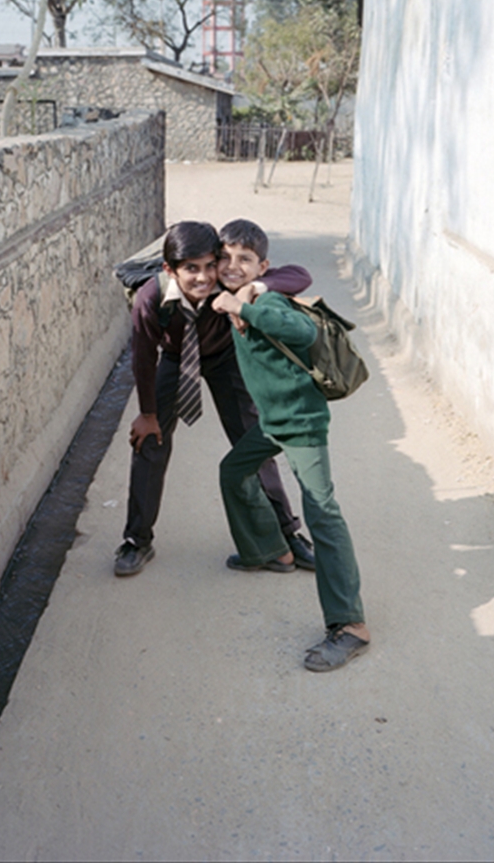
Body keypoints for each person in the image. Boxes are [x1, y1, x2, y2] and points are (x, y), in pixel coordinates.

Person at [212, 218, 369, 672]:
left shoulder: (266, 300)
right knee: (233, 471)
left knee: (323, 512)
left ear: (261, 266)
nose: (232, 266)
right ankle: (269, 550)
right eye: (226, 258)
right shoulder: (233, 296)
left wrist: (246, 303)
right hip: (273, 423)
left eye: (245, 260)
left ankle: (351, 626)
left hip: (301, 424)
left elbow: (304, 334)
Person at [115, 220, 315, 577]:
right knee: (150, 442)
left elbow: (299, 276)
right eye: (191, 269)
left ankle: (287, 533)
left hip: (225, 359)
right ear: (170, 270)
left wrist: (255, 286)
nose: (204, 278)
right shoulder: (151, 297)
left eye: (211, 265)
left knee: (252, 439)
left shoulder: (225, 277)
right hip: (176, 360)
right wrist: (147, 412)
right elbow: (144, 356)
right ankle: (137, 540)